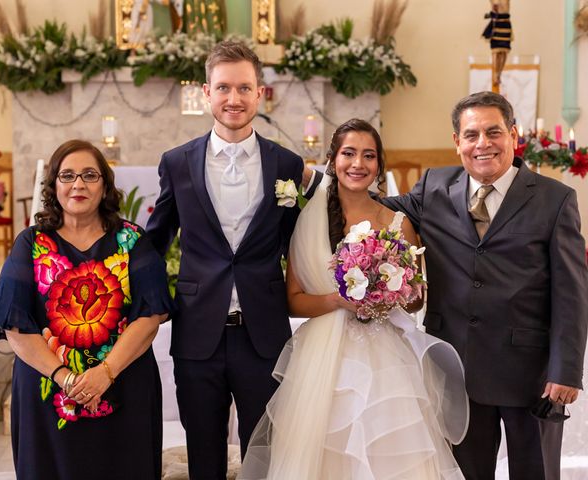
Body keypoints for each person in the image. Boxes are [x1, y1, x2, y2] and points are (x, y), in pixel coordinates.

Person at [239, 118, 469, 479]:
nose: (358, 164)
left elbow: (415, 302)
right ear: (333, 160)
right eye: (349, 153)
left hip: (387, 359)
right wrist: (339, 301)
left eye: (368, 155)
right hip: (322, 361)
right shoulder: (308, 219)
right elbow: (294, 300)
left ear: (379, 165)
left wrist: (397, 292)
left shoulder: (397, 222)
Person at [382, 91, 588, 479]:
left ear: (513, 135)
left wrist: (566, 369)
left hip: (530, 372)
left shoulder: (555, 199)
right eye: (471, 134)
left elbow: (571, 292)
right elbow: (378, 206)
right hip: (457, 368)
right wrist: (320, 181)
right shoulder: (433, 187)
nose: (483, 143)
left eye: (493, 132)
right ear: (457, 142)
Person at [146, 41, 318, 479]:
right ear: (206, 93)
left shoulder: (286, 163)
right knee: (203, 452)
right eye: (223, 88)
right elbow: (155, 242)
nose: (233, 99)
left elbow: (301, 237)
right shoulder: (178, 163)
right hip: (197, 332)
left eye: (244, 88)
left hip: (263, 333)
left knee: (263, 453)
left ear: (260, 93)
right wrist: (152, 304)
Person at [0, 140, 174, 479]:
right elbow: (15, 324)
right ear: (54, 184)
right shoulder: (31, 242)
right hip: (49, 390)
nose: (78, 184)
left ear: (105, 185)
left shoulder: (132, 241)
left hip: (123, 386)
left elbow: (150, 317)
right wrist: (65, 377)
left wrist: (106, 372)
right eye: (67, 175)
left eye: (90, 175)